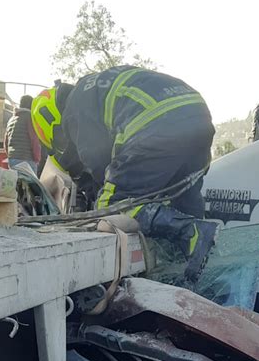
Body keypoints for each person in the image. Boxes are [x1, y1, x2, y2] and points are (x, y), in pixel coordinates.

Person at [31, 67, 219, 281]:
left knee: (111, 205)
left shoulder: (76, 108)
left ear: (53, 120)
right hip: (198, 119)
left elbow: (99, 163)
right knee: (182, 197)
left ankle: (191, 232)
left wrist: (97, 194)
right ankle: (192, 262)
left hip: (158, 124)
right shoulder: (96, 88)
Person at [4, 95, 41, 175]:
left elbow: (6, 142)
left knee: (16, 185)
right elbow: (34, 139)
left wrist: (10, 156)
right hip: (27, 160)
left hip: (12, 159)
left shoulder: (11, 119)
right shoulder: (30, 118)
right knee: (31, 186)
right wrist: (37, 158)